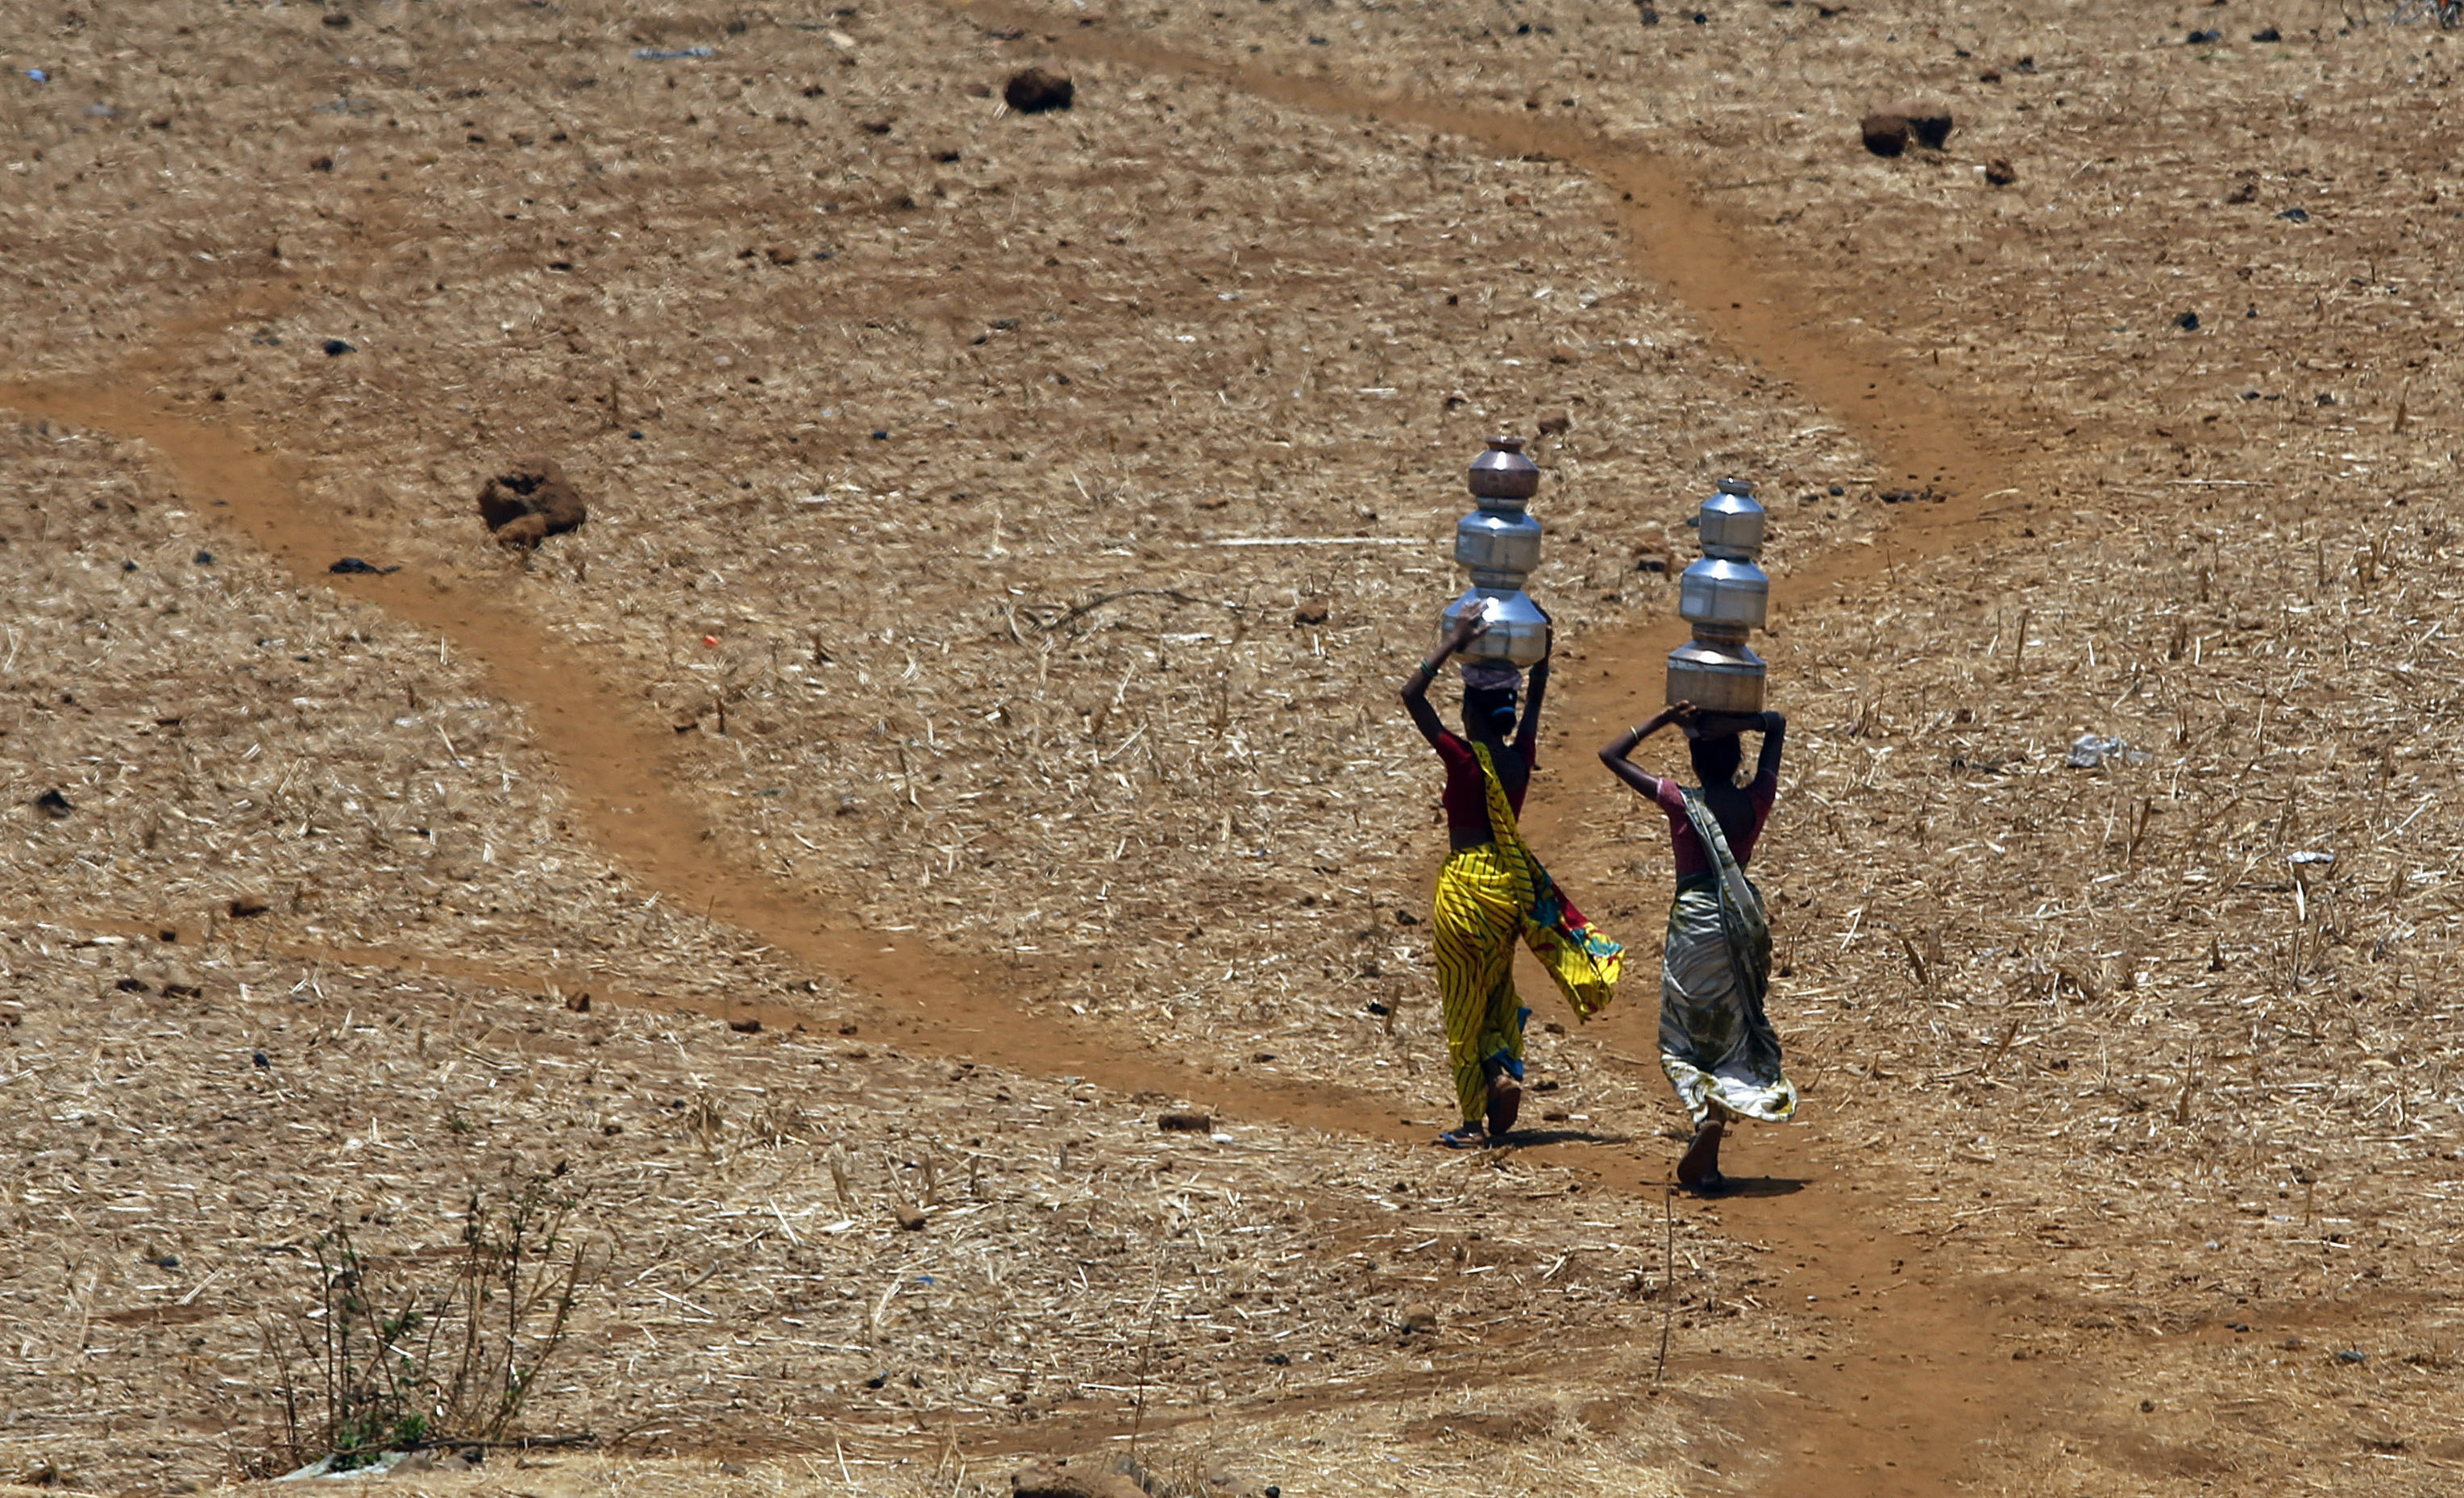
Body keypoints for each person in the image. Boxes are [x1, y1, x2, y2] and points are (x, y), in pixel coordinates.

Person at [1401, 610, 1623, 1149]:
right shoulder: (1520, 762)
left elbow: (1411, 696)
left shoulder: (1463, 760)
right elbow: (1535, 713)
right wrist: (1542, 661)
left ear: (1469, 715)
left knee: (1462, 998)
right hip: (1506, 891)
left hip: (1464, 888)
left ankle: (1471, 1122)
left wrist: (1452, 642)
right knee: (1496, 985)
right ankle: (1500, 1070)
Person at [1598, 702, 1794, 1190]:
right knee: (1729, 1032)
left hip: (1693, 928)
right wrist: (1741, 722)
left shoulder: (1682, 802)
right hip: (1739, 926)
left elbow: (1611, 754)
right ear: (1735, 761)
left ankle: (1701, 1113)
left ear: (1695, 764)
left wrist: (1663, 719)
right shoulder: (1756, 802)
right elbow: (1778, 724)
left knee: (1679, 1042)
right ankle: (1710, 1149)